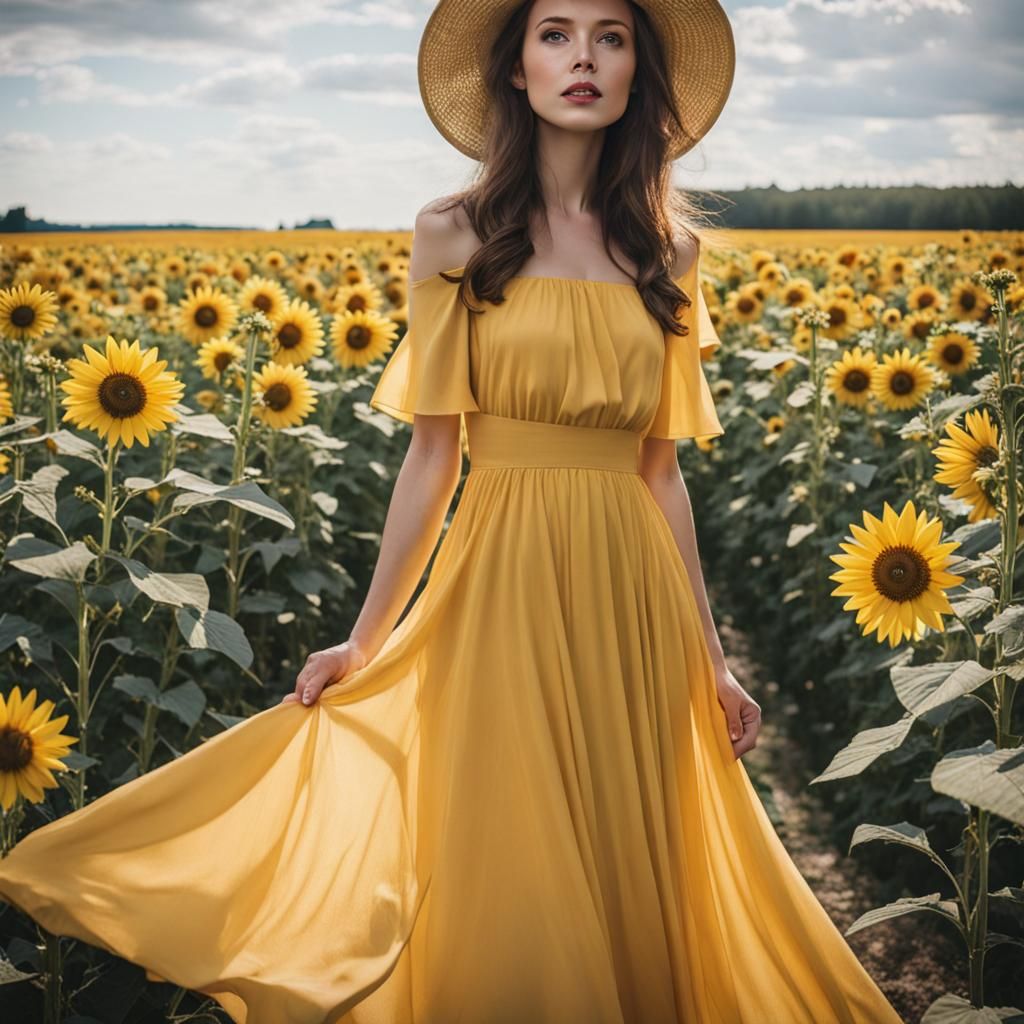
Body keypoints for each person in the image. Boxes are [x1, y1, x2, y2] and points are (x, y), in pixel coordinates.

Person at [0, 1, 905, 1021]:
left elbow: (660, 474)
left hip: (633, 599)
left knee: (630, 843)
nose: (582, 57)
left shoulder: (671, 253)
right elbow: (432, 457)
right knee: (510, 849)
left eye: (610, 38)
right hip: (500, 579)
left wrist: (713, 654)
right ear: (516, 70)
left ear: (635, 76)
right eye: (555, 34)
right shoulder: (452, 233)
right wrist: (365, 638)